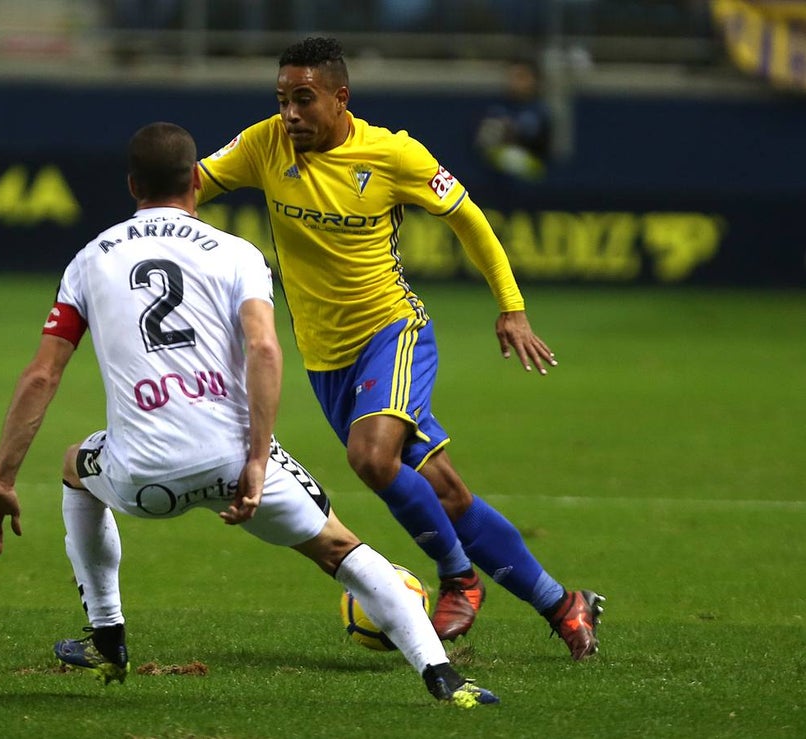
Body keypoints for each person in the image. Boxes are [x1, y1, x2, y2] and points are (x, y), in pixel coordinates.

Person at [0, 121, 499, 708]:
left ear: (133, 185)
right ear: (196, 182)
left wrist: (1, 480)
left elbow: (42, 375)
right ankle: (444, 679)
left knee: (75, 467)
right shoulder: (237, 253)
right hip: (236, 467)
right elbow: (264, 349)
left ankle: (107, 637)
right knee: (339, 549)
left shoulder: (90, 260)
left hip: (141, 476)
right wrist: (257, 459)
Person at [195, 37, 604, 659]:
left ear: (340, 97)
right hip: (326, 360)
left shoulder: (393, 154)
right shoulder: (263, 145)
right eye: (282, 100)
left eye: (303, 99)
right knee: (444, 492)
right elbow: (189, 185)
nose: (290, 114)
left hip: (391, 331)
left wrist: (512, 306)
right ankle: (563, 604)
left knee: (371, 458)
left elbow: (468, 218)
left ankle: (459, 580)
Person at [474, 60, 553, 182]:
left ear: (533, 80)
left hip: (532, 174)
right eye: (512, 77)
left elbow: (545, 147)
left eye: (521, 77)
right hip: (495, 176)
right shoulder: (496, 107)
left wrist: (514, 132)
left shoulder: (540, 110)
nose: (515, 82)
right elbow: (480, 143)